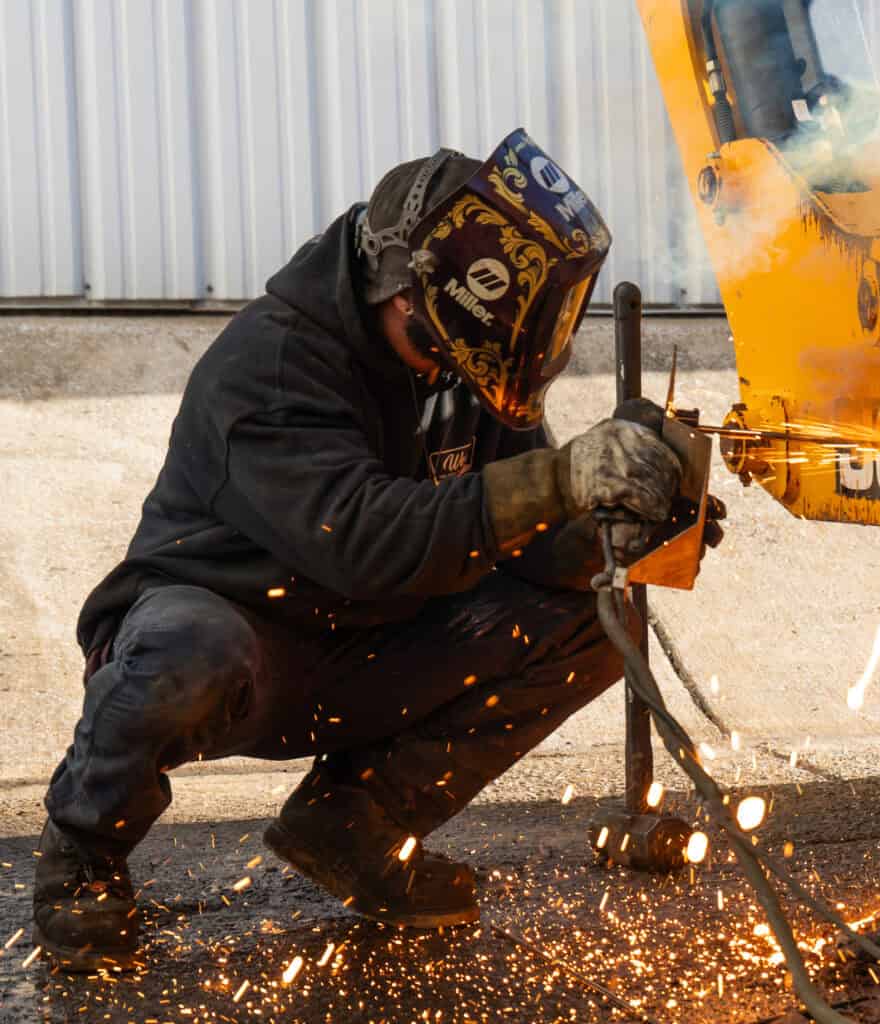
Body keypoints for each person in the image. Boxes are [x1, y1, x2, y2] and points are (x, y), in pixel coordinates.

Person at [33, 130, 718, 972]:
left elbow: (521, 545)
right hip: (239, 648)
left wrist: (608, 535)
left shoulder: (472, 363)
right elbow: (361, 542)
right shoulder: (273, 365)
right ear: (391, 286)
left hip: (375, 645)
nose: (450, 371)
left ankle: (357, 827)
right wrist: (560, 479)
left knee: (597, 616)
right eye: (436, 346)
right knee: (190, 648)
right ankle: (82, 855)